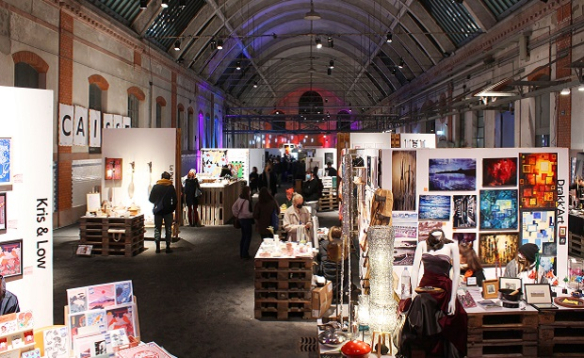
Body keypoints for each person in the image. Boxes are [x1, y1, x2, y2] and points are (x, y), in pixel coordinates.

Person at [400, 229, 467, 357]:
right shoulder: (422, 245)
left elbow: (457, 273)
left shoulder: (451, 246)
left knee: (453, 317)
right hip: (425, 286)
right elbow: (415, 270)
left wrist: (452, 299)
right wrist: (414, 290)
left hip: (443, 287)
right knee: (420, 301)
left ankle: (436, 345)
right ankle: (425, 341)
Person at [149, 171, 177, 253]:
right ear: (169, 178)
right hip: (168, 211)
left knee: (157, 228)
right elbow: (175, 200)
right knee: (168, 228)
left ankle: (157, 247)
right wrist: (172, 208)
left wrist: (157, 203)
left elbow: (151, 199)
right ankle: (168, 247)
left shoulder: (156, 186)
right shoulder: (171, 187)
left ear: (161, 178)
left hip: (158, 210)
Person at [232, 186, 254, 259]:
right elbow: (246, 213)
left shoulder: (240, 198)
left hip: (241, 220)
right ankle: (245, 253)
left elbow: (233, 207)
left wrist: (237, 215)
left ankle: (242, 252)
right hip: (246, 220)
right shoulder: (246, 201)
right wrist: (253, 215)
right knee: (248, 236)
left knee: (244, 236)